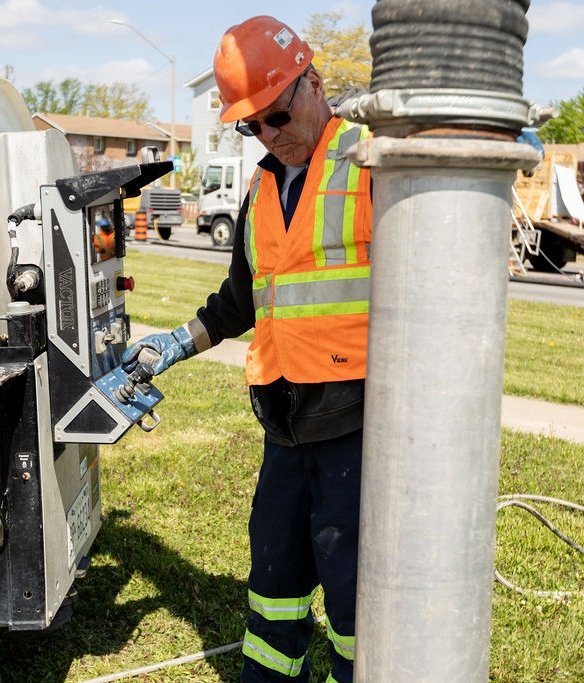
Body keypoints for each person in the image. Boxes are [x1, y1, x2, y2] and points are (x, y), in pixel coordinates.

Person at [122, 15, 370, 683]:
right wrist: (175, 343)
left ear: (314, 84)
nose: (269, 135)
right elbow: (240, 299)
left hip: (357, 426)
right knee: (275, 579)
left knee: (355, 598)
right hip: (285, 423)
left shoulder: (371, 162)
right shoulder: (263, 186)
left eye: (278, 115)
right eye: (251, 125)